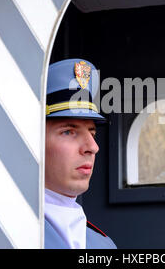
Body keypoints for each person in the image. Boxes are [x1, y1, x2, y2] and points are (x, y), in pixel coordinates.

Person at [44, 58, 117, 249]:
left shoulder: (104, 245)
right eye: (69, 131)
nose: (92, 147)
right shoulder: (2, 230)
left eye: (92, 133)